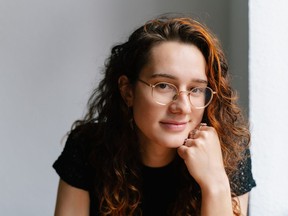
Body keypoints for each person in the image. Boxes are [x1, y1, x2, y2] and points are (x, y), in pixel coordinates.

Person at [53, 15, 256, 216]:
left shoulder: (229, 153)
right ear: (127, 91)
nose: (183, 107)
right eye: (163, 86)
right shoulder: (88, 146)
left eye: (195, 89)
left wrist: (215, 184)